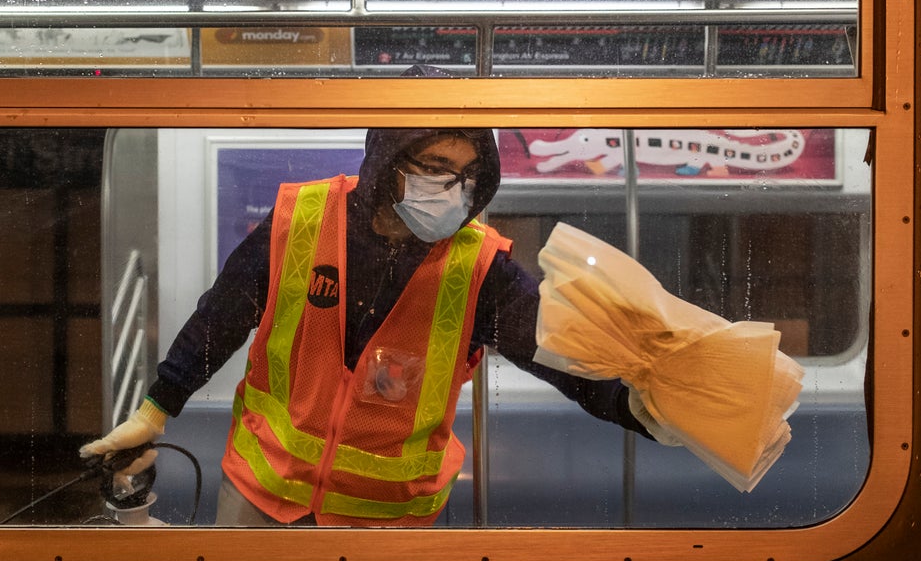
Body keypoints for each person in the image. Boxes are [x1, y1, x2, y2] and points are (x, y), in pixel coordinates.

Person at [81, 126, 666, 526]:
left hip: (384, 527)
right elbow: (221, 318)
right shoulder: (301, 221)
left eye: (467, 175)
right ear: (390, 159)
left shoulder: (481, 269)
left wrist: (653, 410)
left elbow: (563, 356)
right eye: (436, 168)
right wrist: (154, 412)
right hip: (261, 498)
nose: (452, 189)